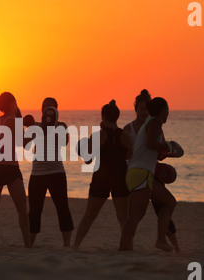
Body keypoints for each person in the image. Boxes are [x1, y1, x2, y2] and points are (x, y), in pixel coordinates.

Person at [123, 90, 180, 252]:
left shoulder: (152, 124)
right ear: (161, 110)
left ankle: (163, 241)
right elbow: (149, 143)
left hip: (146, 173)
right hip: (140, 172)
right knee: (135, 216)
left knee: (166, 203)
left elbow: (152, 149)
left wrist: (166, 151)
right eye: (167, 109)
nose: (168, 112)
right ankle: (125, 250)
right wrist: (167, 146)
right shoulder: (154, 122)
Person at [73, 100, 132, 249]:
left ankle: (76, 245)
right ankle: (127, 247)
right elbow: (129, 156)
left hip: (101, 178)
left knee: (89, 216)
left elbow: (88, 160)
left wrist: (80, 150)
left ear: (103, 117)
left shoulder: (98, 136)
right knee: (123, 218)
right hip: (120, 176)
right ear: (117, 117)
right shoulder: (126, 135)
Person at [0, 92, 31, 247]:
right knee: (22, 208)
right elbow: (24, 143)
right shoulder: (13, 121)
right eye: (16, 102)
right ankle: (28, 244)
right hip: (9, 167)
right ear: (12, 104)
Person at [28, 98, 74, 247]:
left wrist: (52, 125)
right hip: (37, 174)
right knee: (34, 210)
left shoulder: (61, 126)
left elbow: (63, 142)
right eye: (45, 107)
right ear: (41, 109)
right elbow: (25, 144)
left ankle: (66, 243)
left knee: (62, 207)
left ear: (56, 110)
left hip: (56, 172)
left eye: (51, 108)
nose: (47, 110)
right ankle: (30, 243)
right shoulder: (36, 126)